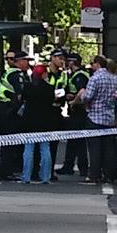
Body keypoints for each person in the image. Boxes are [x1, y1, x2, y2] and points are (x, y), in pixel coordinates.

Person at [81, 55, 117, 184]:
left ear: (97, 64)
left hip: (95, 117)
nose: (91, 66)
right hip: (109, 117)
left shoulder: (95, 78)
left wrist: (82, 96)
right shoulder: (114, 78)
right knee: (108, 148)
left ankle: (94, 175)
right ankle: (108, 175)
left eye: (92, 63)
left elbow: (88, 96)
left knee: (94, 148)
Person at [0, 51, 32, 181]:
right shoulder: (15, 74)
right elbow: (20, 93)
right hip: (10, 110)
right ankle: (7, 171)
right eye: (25, 60)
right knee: (10, 141)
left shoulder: (13, 73)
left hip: (8, 109)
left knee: (10, 141)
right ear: (18, 61)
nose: (27, 63)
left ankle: (8, 169)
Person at [20, 65, 55, 184]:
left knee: (28, 149)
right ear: (44, 74)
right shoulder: (49, 88)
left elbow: (23, 99)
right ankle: (46, 177)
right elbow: (51, 102)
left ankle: (26, 176)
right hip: (45, 121)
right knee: (45, 149)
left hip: (29, 120)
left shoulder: (28, 87)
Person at [58, 53, 89, 176]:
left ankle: (81, 167)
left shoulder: (79, 76)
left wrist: (72, 100)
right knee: (73, 140)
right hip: (76, 112)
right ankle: (69, 165)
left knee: (78, 141)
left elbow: (82, 91)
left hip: (78, 111)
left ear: (72, 62)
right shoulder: (76, 74)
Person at [46, 48, 68, 179]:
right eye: (60, 58)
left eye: (63, 59)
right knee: (43, 143)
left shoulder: (63, 75)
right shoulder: (44, 72)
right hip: (45, 111)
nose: (62, 61)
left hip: (56, 110)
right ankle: (40, 170)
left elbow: (64, 90)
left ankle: (49, 171)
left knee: (54, 144)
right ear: (52, 58)